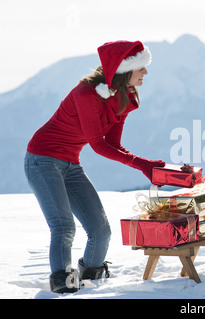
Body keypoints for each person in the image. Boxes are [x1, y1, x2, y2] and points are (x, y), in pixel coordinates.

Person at [24, 40, 165, 293]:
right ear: (124, 70)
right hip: (42, 159)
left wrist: (147, 166)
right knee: (64, 226)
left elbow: (113, 143)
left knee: (101, 231)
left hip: (70, 164)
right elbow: (99, 145)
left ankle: (91, 279)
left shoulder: (125, 96)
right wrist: (143, 165)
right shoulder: (86, 94)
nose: (146, 73)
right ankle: (63, 283)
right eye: (141, 67)